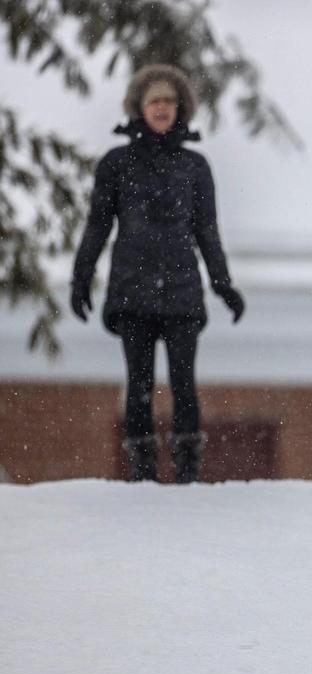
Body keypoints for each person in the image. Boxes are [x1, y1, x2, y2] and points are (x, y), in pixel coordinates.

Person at [69, 63, 245, 483]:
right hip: (132, 290)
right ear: (140, 108)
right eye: (154, 100)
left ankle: (187, 473)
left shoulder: (195, 167)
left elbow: (207, 230)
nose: (161, 107)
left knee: (185, 385)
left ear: (180, 107)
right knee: (139, 386)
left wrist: (223, 284)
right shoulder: (115, 164)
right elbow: (98, 224)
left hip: (182, 291)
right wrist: (80, 277)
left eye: (169, 100)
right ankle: (142, 474)